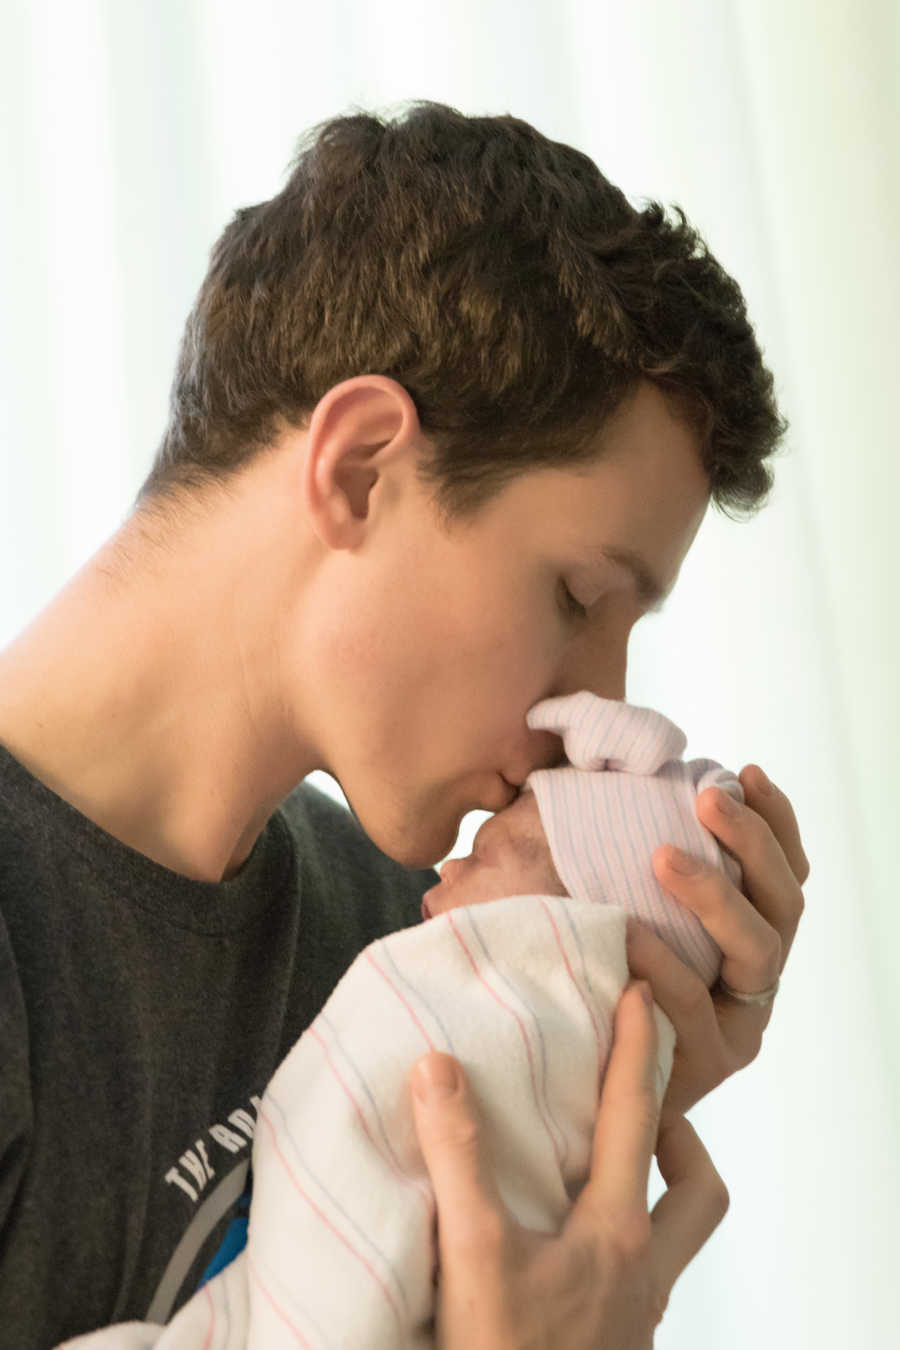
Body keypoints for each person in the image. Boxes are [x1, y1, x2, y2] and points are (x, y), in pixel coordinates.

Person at [0, 99, 809, 1350]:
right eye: (578, 598)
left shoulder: (410, 936)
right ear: (361, 467)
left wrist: (600, 1073)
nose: (590, 713)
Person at [54, 689, 752, 1350]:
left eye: (485, 855)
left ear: (568, 922)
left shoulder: (398, 915)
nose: (447, 867)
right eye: (575, 594)